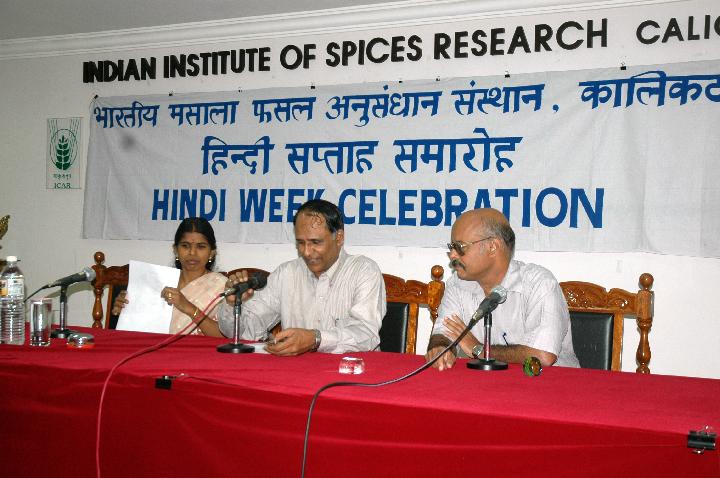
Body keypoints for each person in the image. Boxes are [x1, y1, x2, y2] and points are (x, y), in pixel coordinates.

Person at [218, 199, 386, 355]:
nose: (306, 252)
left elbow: (366, 335)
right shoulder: (286, 273)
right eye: (300, 243)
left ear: (339, 238)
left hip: (351, 371)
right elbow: (246, 332)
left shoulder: (363, 271)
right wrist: (233, 305)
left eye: (315, 242)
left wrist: (315, 339)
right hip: (296, 371)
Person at [425, 208, 579, 370]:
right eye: (451, 247)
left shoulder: (539, 283)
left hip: (549, 381)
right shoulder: (458, 284)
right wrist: (440, 348)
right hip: (488, 382)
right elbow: (444, 332)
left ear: (493, 246)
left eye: (460, 247)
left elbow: (542, 356)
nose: (452, 255)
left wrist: (479, 349)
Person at [112, 217, 226, 337]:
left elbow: (224, 336)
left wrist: (188, 307)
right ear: (175, 250)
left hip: (198, 349)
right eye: (185, 246)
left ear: (211, 253)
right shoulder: (157, 281)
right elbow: (141, 327)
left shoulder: (222, 287)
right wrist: (125, 309)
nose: (192, 252)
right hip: (152, 346)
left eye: (201, 246)